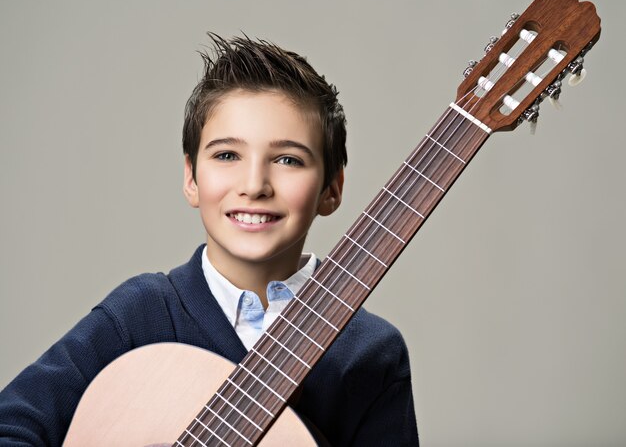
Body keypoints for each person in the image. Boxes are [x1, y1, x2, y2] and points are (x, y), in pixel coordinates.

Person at [0, 34, 419, 446]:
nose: (254, 185)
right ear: (191, 178)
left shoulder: (370, 354)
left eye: (288, 159)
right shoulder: (141, 315)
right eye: (226, 156)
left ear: (331, 188)